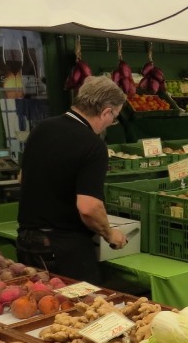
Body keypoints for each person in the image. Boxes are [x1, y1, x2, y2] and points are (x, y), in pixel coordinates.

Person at [16, 76, 128, 283]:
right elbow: (88, 207)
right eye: (114, 117)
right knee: (80, 302)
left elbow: (22, 178)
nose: (111, 123)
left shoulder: (42, 128)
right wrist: (110, 234)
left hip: (26, 241)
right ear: (106, 112)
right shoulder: (93, 146)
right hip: (63, 249)